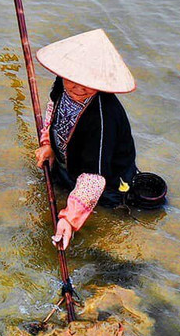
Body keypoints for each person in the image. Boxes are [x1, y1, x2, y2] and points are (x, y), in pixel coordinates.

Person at [32, 28, 139, 249]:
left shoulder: (103, 116)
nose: (77, 88)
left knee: (108, 207)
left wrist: (69, 219)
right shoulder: (62, 86)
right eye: (72, 80)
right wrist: (48, 144)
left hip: (107, 178)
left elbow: (94, 178)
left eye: (86, 83)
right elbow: (53, 110)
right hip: (70, 161)